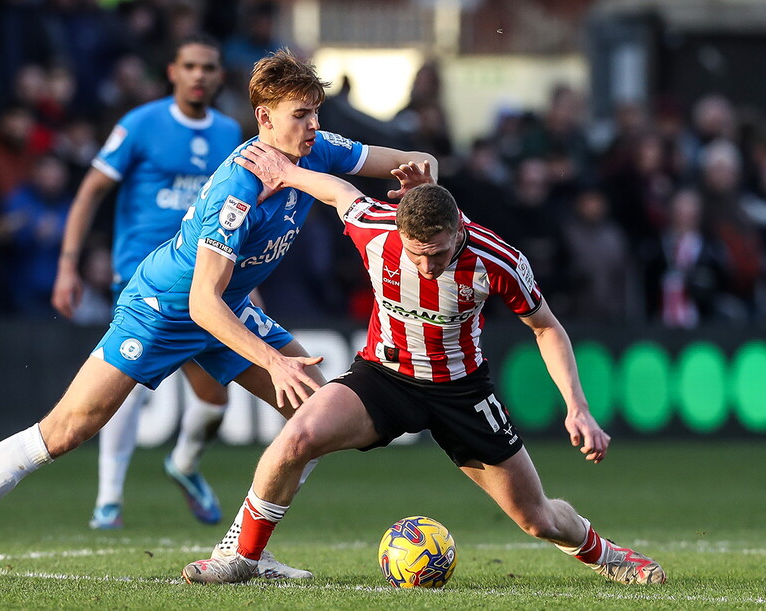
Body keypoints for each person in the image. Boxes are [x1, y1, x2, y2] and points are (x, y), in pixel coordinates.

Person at [0, 48, 436, 581]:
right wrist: (273, 360)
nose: (313, 124)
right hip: (164, 308)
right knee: (66, 430)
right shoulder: (238, 186)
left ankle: (243, 553)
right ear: (265, 118)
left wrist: (419, 184)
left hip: (226, 307)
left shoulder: (319, 149)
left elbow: (420, 162)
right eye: (301, 114)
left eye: (316, 111)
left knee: (314, 417)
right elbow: (201, 303)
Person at [181, 142, 666, 586]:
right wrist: (286, 172)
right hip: (383, 378)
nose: (427, 266)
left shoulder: (498, 260)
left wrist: (577, 407)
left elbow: (546, 328)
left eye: (438, 254)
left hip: (461, 391)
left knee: (536, 518)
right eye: (416, 255)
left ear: (459, 229)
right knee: (297, 438)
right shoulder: (375, 227)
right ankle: (243, 557)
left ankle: (612, 556)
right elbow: (338, 191)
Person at [51, 34, 244, 530]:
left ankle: (184, 463)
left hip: (203, 279)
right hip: (142, 276)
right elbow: (90, 192)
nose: (199, 75)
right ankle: (108, 501)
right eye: (190, 66)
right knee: (128, 385)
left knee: (216, 397)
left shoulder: (229, 132)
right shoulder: (140, 124)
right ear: (173, 72)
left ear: (220, 76)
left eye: (209, 67)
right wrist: (69, 265)